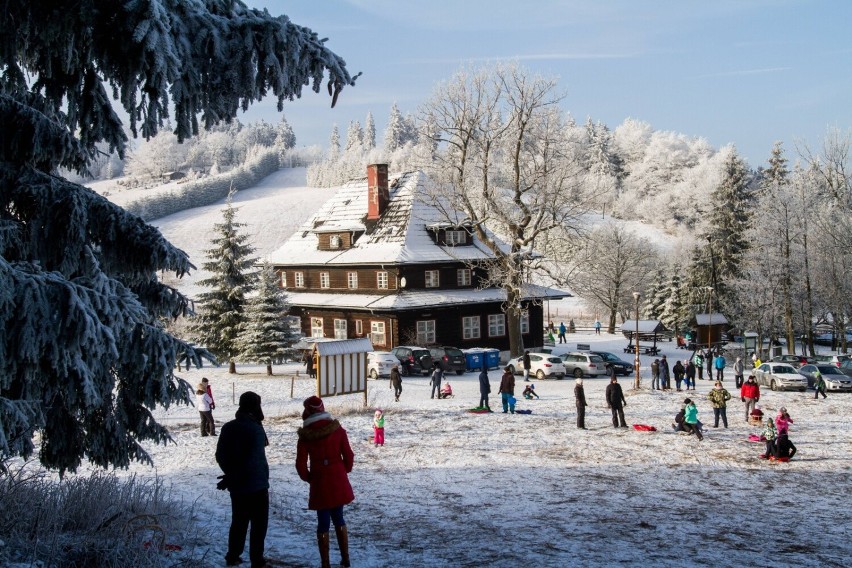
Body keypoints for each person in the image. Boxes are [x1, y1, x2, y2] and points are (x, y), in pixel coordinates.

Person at [296, 396, 355, 568]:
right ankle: (346, 558)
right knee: (339, 517)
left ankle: (325, 563)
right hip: (338, 478)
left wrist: (310, 478)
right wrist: (344, 470)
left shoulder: (306, 436)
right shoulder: (337, 430)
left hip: (320, 481)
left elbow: (300, 465)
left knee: (323, 521)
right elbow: (349, 456)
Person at [216, 392, 270, 568]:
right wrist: (234, 475)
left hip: (237, 486)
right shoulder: (255, 428)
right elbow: (253, 459)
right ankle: (257, 561)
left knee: (238, 522)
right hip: (256, 485)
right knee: (258, 526)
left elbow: (220, 455)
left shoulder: (228, 427)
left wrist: (230, 475)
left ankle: (232, 556)